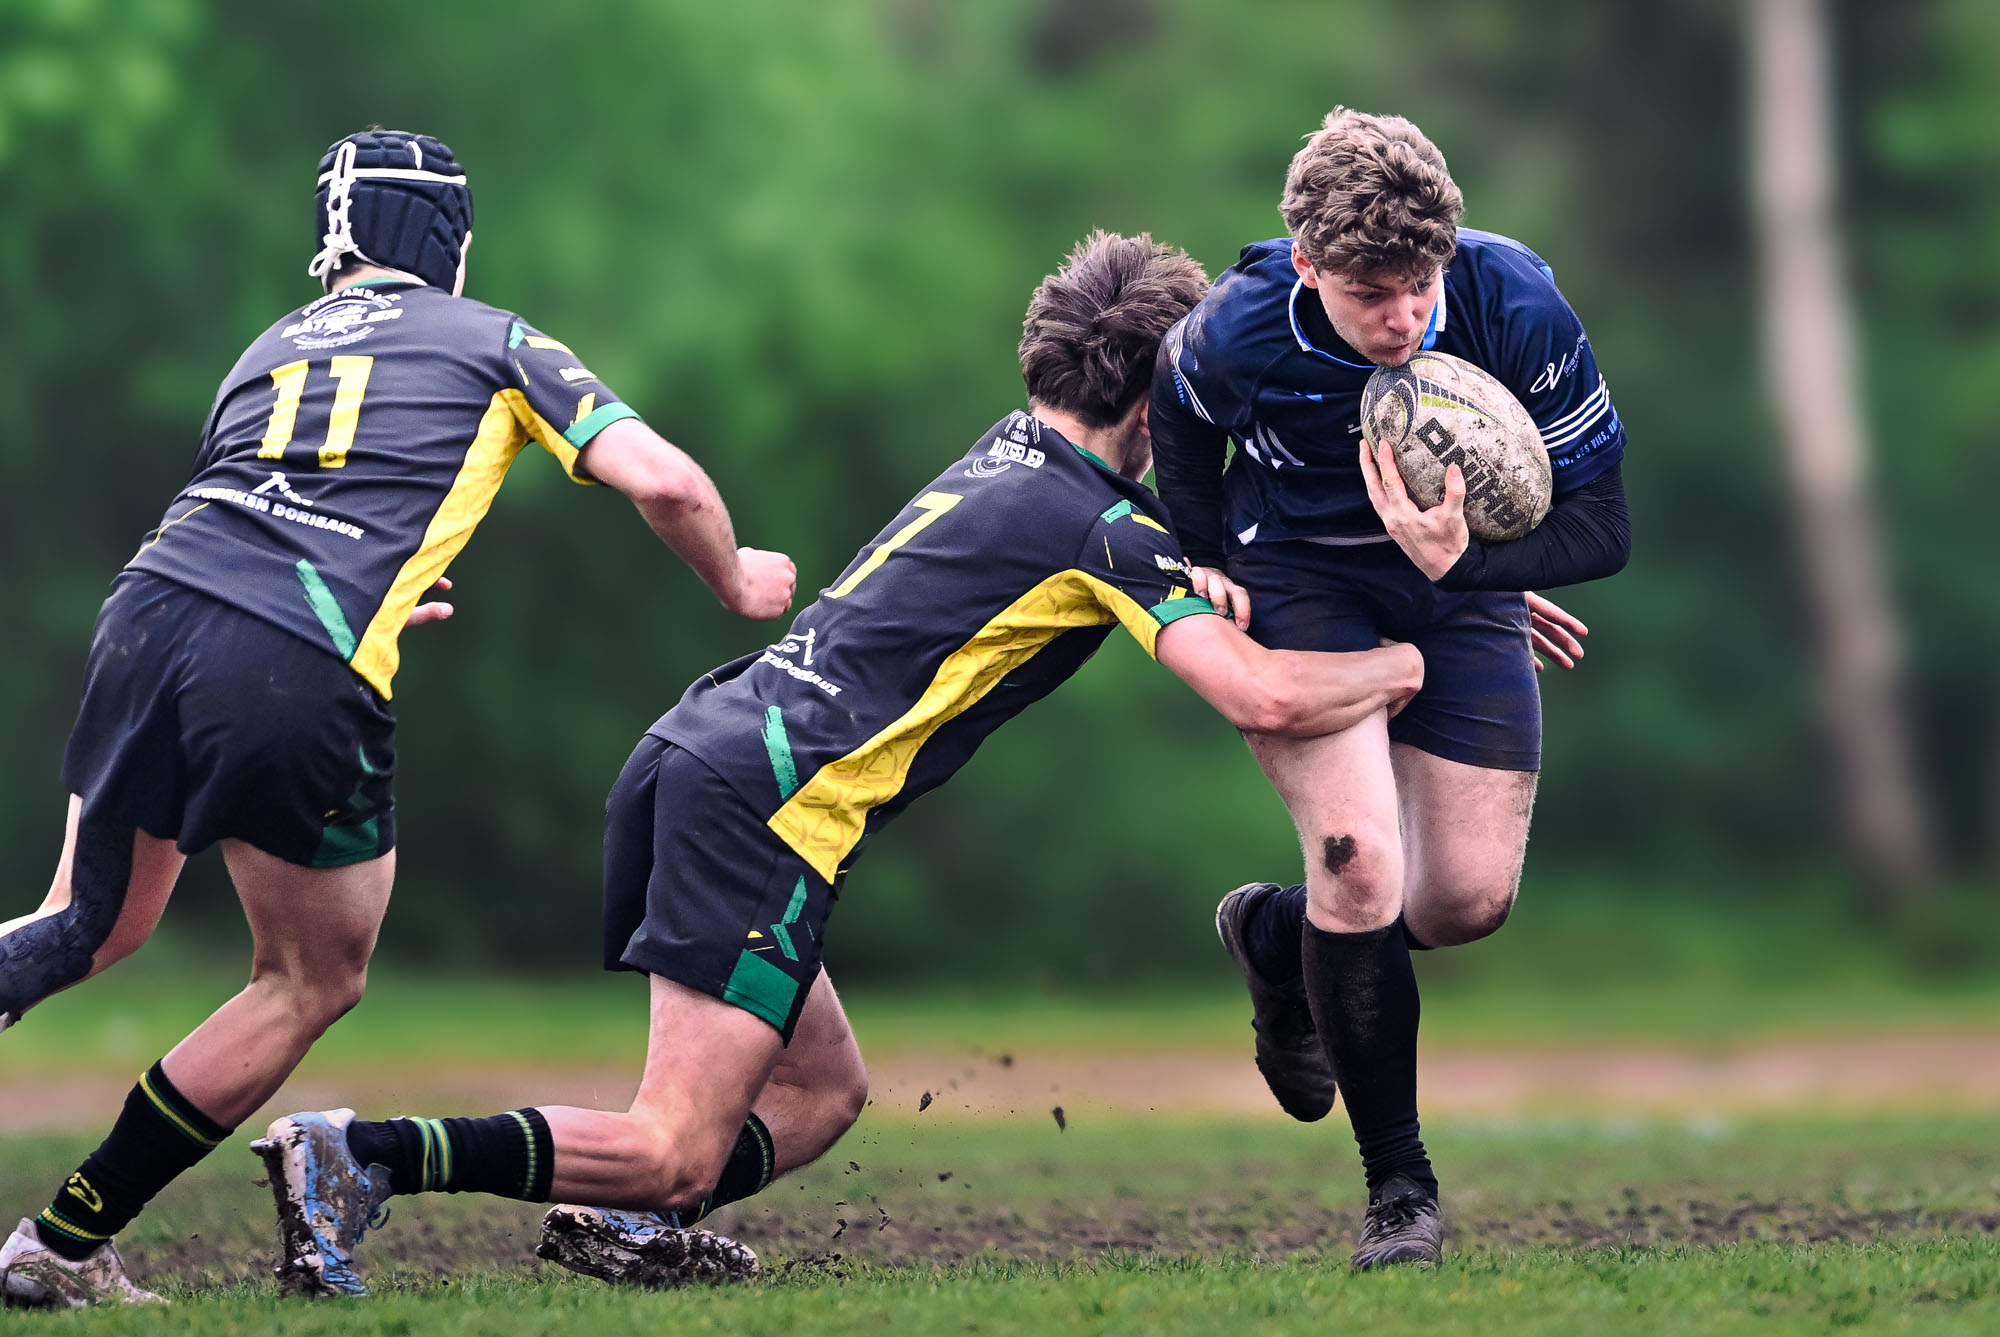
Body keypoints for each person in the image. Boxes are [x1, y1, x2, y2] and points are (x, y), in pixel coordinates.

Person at [249, 230, 1428, 1297]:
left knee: (820, 1093)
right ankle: (361, 1153)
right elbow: (1261, 693)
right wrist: (1404, 658)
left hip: (702, 748)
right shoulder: (1101, 528)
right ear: (1161, 395)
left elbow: (1144, 556)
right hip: (765, 799)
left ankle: (631, 1227)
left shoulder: (1013, 454)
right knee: (670, 1147)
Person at [0, 129, 795, 1309]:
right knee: (310, 975)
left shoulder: (268, 345)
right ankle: (61, 1243)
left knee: (84, 922)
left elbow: (274, 507)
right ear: (447, 236)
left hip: (148, 611)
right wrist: (736, 579)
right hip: (288, 658)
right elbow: (667, 480)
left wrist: (364, 594)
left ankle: (61, 1247)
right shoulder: (495, 339)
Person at [1147, 107, 1628, 1270]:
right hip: (1297, 579)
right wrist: (1200, 554)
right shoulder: (1243, 322)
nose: (1401, 317)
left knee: (1462, 899)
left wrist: (1475, 569)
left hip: (1453, 592)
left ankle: (1275, 931)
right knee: (1359, 863)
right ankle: (1398, 1193)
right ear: (1307, 266)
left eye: (1419, 285)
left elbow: (1605, 527)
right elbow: (1178, 413)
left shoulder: (1513, 304)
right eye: (1369, 292)